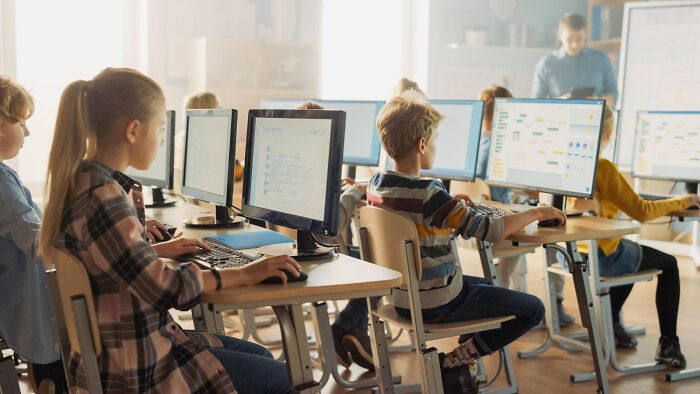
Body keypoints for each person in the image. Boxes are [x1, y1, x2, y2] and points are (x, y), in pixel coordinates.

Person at [39, 68, 298, 393]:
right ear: (133, 130)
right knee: (289, 380)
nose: (163, 139)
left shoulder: (83, 181)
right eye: (160, 128)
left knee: (259, 353)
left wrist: (154, 252)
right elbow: (165, 289)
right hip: (141, 367)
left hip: (122, 352)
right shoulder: (105, 197)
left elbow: (105, 265)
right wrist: (247, 272)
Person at [371, 90, 564, 392]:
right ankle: (455, 361)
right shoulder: (429, 194)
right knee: (533, 309)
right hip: (437, 302)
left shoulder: (376, 187)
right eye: (433, 140)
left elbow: (418, 226)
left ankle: (463, 369)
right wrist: (535, 212)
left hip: (401, 300)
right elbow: (492, 229)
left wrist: (451, 207)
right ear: (422, 145)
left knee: (488, 287)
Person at [570, 105, 700, 367]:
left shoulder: (568, 161)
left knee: (631, 253)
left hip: (572, 254)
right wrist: (683, 200)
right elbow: (641, 210)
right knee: (669, 264)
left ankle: (611, 323)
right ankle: (669, 345)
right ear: (606, 133)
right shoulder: (603, 167)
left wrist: (674, 202)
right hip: (601, 256)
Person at [476, 85, 575, 326]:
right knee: (551, 233)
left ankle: (508, 296)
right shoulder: (500, 150)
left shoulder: (480, 146)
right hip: (499, 227)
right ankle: (556, 303)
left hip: (477, 227)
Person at [0, 77, 68, 392]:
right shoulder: (1, 180)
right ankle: (51, 380)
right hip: (23, 306)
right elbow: (38, 241)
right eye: (22, 123)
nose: (27, 132)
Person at [532, 13, 618, 106]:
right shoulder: (546, 63)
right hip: (559, 118)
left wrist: (597, 101)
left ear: (585, 35)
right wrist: (559, 101)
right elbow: (536, 102)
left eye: (579, 39)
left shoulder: (602, 59)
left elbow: (614, 96)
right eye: (569, 39)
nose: (575, 45)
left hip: (594, 118)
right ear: (560, 35)